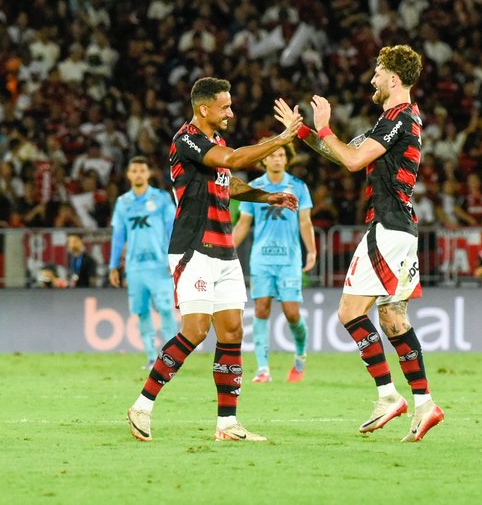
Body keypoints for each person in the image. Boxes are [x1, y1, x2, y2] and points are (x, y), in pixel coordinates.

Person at [277, 45, 443, 442]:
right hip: (401, 228)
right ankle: (424, 404)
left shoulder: (397, 119)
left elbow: (352, 161)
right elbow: (343, 154)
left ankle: (388, 396)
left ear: (394, 79)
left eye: (377, 72)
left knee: (350, 313)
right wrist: (302, 132)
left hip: (386, 226)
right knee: (392, 318)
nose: (372, 79)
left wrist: (325, 124)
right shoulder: (397, 120)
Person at [127, 77, 301, 443]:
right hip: (194, 248)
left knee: (233, 332)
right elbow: (234, 159)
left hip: (224, 250)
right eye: (225, 107)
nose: (231, 112)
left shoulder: (215, 143)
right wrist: (282, 138)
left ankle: (227, 423)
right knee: (195, 330)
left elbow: (230, 181)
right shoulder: (186, 139)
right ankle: (142, 405)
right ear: (204, 108)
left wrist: (267, 197)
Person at [232, 144, 316, 383]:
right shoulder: (254, 189)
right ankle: (262, 369)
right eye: (272, 156)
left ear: (286, 159)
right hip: (262, 260)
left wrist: (311, 251)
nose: (277, 159)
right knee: (261, 309)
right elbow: (243, 224)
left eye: (281, 155)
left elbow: (305, 222)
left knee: (292, 313)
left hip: (289, 259)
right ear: (264, 161)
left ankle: (300, 356)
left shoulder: (298, 187)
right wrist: (226, 249)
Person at [109, 156, 178, 369]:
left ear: (148, 174)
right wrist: (113, 265)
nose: (138, 174)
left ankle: (172, 359)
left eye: (142, 170)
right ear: (129, 175)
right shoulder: (123, 203)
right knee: (142, 312)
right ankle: (151, 358)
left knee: (166, 309)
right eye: (134, 171)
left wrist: (173, 257)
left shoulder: (161, 198)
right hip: (135, 267)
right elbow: (118, 235)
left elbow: (171, 228)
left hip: (160, 265)